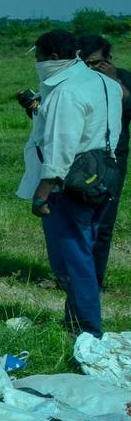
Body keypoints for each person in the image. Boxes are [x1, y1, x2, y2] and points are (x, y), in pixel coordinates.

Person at [19, 29, 123, 336]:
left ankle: (88, 330)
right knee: (84, 251)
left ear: (53, 58)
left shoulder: (66, 92)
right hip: (103, 175)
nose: (36, 63)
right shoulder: (106, 83)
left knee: (71, 260)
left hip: (69, 185)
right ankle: (74, 319)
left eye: (38, 57)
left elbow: (60, 147)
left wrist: (42, 193)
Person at [79, 35, 131, 289]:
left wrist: (114, 83)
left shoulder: (123, 78)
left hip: (113, 158)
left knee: (104, 221)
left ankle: (94, 279)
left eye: (96, 62)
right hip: (81, 158)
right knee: (77, 219)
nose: (92, 68)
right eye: (86, 63)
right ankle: (74, 274)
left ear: (108, 60)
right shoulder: (77, 81)